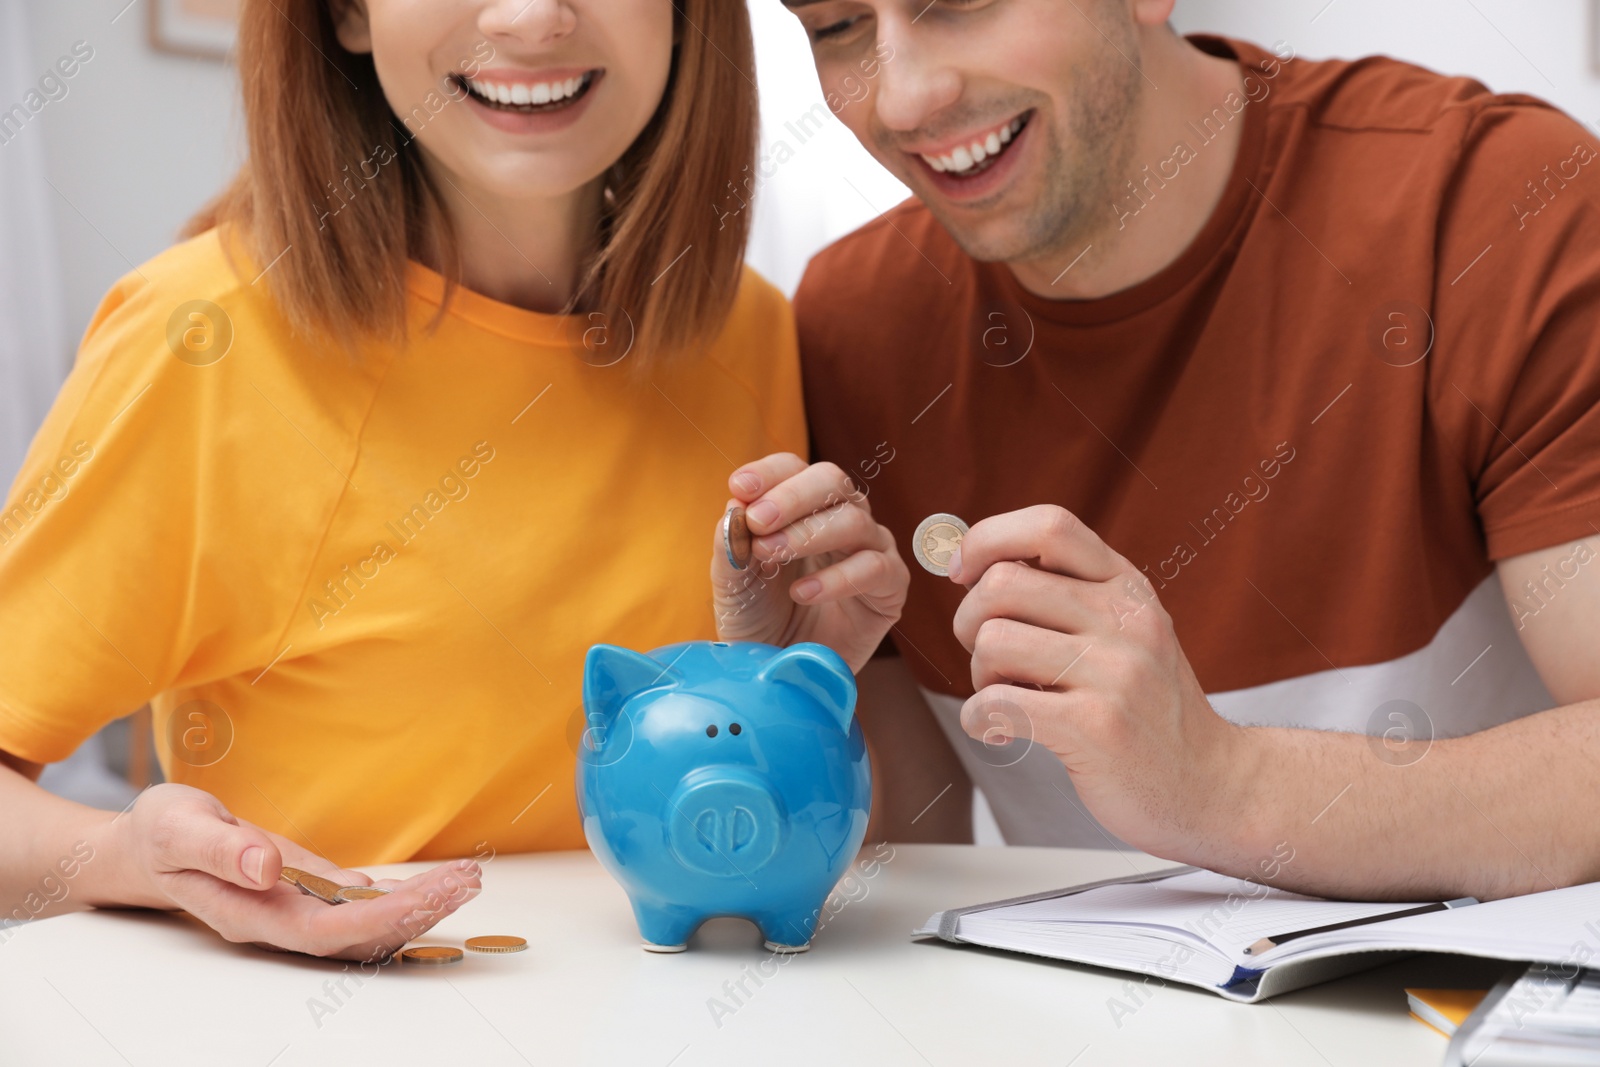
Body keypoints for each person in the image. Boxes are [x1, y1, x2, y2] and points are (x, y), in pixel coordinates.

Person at [0, 0, 907, 961]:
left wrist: (801, 695)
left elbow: (812, 850)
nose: (531, 18)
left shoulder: (746, 334)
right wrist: (127, 857)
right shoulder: (196, 342)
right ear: (346, 13)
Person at [785, 0, 1600, 901]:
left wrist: (1223, 783)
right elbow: (909, 875)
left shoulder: (1495, 204)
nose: (902, 98)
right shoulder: (849, 331)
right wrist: (790, 693)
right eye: (835, 28)